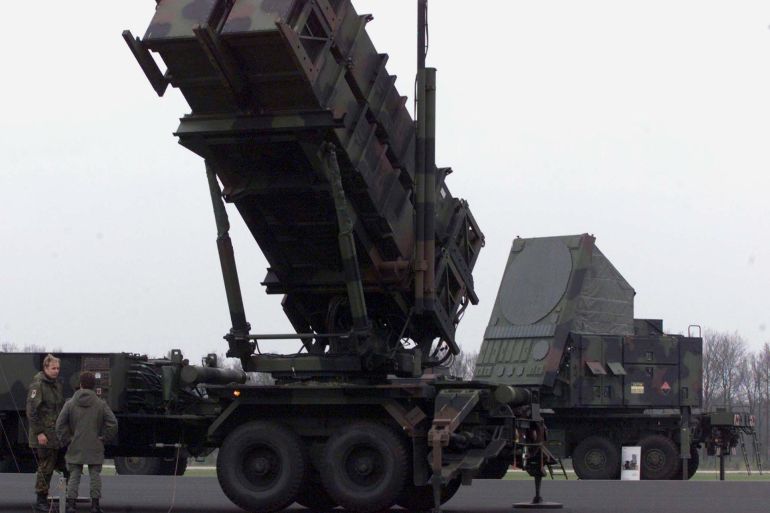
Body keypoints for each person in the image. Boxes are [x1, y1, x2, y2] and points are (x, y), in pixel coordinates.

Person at [56, 371, 118, 513]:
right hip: (95, 444)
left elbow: (59, 424)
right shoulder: (101, 404)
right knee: (95, 475)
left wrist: (67, 439)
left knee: (74, 475)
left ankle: (71, 505)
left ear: (80, 384)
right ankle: (95, 506)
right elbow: (113, 423)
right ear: (93, 385)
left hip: (75, 444)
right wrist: (104, 437)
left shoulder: (70, 403)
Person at [26, 353, 65, 512]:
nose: (56, 371)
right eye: (53, 368)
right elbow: (31, 411)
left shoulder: (55, 385)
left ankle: (64, 498)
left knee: (60, 465)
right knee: (45, 467)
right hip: (44, 435)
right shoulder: (38, 385)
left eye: (58, 368)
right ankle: (40, 501)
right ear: (45, 367)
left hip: (55, 434)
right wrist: (40, 433)